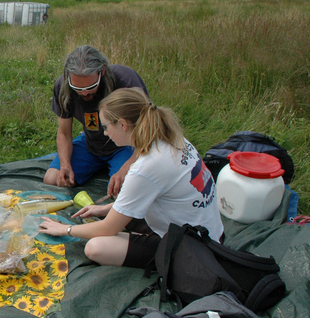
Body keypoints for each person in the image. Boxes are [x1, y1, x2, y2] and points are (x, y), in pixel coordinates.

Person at [39, 88, 223, 269]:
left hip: (194, 247)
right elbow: (153, 192)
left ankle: (159, 251)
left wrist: (65, 229)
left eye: (106, 127)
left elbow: (107, 229)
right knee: (117, 217)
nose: (105, 134)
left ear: (122, 125)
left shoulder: (147, 167)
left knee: (96, 247)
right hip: (210, 230)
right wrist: (105, 209)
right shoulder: (171, 139)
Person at [44, 45, 149, 197]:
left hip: (126, 145)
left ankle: (115, 165)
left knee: (127, 188)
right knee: (54, 179)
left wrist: (125, 169)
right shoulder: (62, 87)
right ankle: (98, 165)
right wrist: (65, 164)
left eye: (91, 86)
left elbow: (148, 130)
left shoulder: (126, 80)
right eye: (77, 88)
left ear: (103, 71)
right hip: (91, 143)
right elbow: (64, 132)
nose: (85, 93)